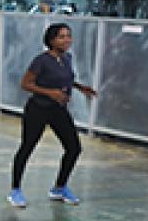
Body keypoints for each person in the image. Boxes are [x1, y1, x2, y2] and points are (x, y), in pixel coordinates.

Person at [9, 23, 97, 207]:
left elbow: (66, 79)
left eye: (68, 36)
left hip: (58, 110)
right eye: (62, 37)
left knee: (73, 148)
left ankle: (59, 188)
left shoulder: (67, 59)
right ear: (51, 40)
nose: (67, 40)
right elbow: (26, 84)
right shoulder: (41, 60)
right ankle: (15, 190)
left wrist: (80, 88)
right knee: (27, 147)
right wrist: (51, 93)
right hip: (38, 109)